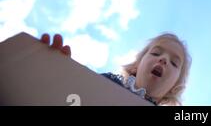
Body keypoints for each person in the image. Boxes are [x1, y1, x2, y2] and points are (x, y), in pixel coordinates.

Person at [40, 33, 191, 106]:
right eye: (156, 53)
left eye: (174, 63)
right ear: (137, 66)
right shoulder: (105, 82)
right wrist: (60, 74)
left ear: (173, 88)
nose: (163, 59)